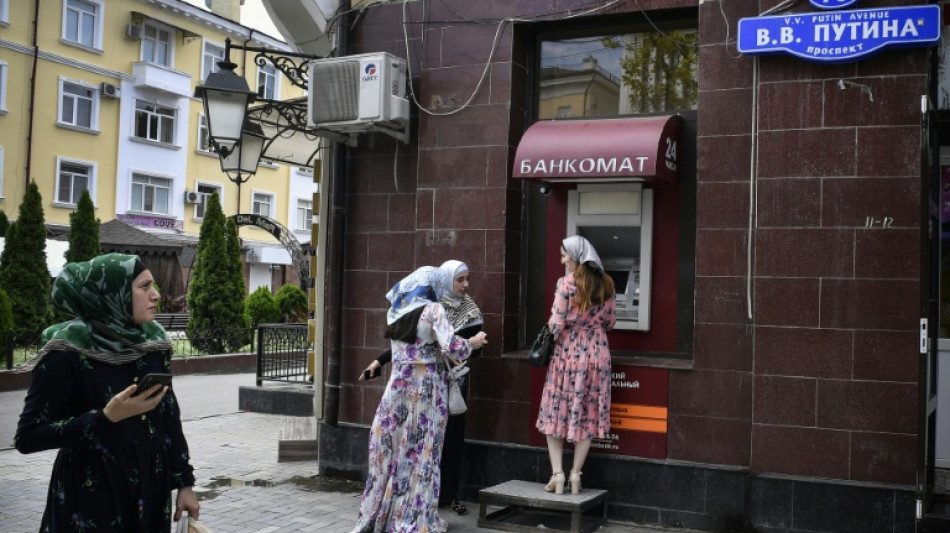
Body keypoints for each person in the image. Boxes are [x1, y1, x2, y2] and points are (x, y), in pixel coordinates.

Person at [14, 253, 199, 531]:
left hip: (150, 490)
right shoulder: (69, 351)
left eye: (154, 286)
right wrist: (104, 417)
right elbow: (28, 436)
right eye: (144, 286)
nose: (156, 295)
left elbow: (169, 418)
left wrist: (184, 483)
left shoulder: (153, 344)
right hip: (91, 494)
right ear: (113, 293)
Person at [351, 266, 488, 533]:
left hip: (397, 389)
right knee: (424, 454)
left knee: (394, 451)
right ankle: (415, 519)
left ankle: (383, 516)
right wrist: (473, 342)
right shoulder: (434, 310)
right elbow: (453, 346)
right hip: (427, 391)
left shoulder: (396, 312)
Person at [536, 235, 616, 495]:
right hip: (598, 355)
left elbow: (555, 324)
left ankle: (557, 474)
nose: (562, 260)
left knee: (555, 411)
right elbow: (611, 322)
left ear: (577, 257)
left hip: (568, 355)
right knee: (589, 413)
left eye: (565, 256)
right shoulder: (607, 283)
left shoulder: (567, 284)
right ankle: (575, 475)